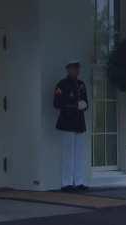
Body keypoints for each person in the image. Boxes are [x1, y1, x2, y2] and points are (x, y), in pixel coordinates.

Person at [53, 60, 88, 192]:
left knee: (79, 153)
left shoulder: (81, 84)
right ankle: (66, 183)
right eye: (74, 68)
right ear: (68, 69)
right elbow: (57, 104)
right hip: (67, 122)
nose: (77, 71)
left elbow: (85, 102)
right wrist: (74, 106)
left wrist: (84, 105)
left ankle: (79, 181)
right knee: (68, 153)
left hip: (79, 122)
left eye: (78, 68)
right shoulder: (62, 85)